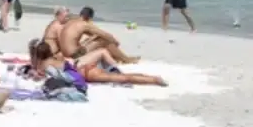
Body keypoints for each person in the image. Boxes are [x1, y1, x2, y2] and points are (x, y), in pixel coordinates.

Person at [34, 42, 165, 87]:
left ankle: (153, 80)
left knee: (124, 78)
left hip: (85, 73)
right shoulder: (55, 58)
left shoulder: (43, 65)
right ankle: (153, 79)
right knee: (125, 77)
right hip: (83, 68)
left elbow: (41, 76)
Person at [57, 7, 139, 64]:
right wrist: (115, 42)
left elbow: (91, 34)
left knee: (92, 40)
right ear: (89, 18)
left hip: (65, 53)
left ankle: (118, 58)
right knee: (104, 40)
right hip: (74, 55)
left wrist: (91, 38)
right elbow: (106, 35)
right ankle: (126, 59)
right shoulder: (85, 24)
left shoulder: (72, 21)